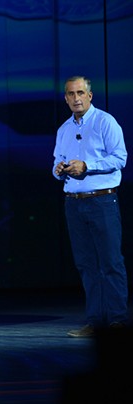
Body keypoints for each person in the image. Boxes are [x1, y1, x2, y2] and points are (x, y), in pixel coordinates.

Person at [53, 76, 128, 337]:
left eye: (80, 93)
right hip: (74, 203)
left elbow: (121, 158)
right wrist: (60, 170)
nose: (76, 98)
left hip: (102, 200)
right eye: (71, 94)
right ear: (65, 98)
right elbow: (56, 164)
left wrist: (87, 166)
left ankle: (117, 321)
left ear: (90, 95)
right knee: (86, 265)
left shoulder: (105, 122)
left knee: (110, 262)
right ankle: (95, 322)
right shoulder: (63, 130)